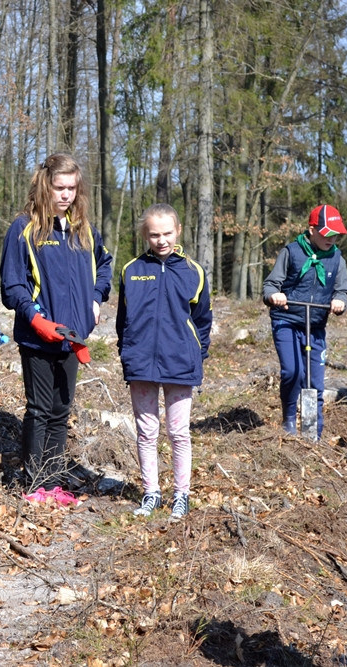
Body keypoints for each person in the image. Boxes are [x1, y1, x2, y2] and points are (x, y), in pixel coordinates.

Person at [0, 153, 112, 506]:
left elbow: (105, 265)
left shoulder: (84, 231)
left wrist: (95, 301)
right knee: (39, 409)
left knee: (62, 411)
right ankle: (35, 485)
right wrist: (35, 318)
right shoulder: (24, 228)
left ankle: (53, 483)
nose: (65, 195)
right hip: (38, 337)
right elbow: (11, 285)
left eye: (71, 188)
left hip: (73, 338)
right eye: (59, 187)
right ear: (45, 185)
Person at [116, 204, 212, 521]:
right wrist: (127, 351)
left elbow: (202, 320)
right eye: (154, 234)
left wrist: (197, 354)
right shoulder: (131, 270)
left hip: (180, 363)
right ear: (145, 234)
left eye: (167, 233)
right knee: (146, 432)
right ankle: (151, 493)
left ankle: (181, 495)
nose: (161, 240)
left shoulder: (193, 272)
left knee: (178, 432)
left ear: (178, 231)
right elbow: (122, 320)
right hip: (141, 362)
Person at [262, 204, 347, 438]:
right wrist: (274, 295)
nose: (332, 238)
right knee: (293, 372)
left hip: (316, 325)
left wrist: (339, 301)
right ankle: (289, 420)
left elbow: (343, 290)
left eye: (336, 233)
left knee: (314, 381)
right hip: (287, 320)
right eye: (327, 232)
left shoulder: (336, 259)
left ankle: (312, 432)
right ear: (312, 229)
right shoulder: (291, 252)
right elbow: (270, 285)